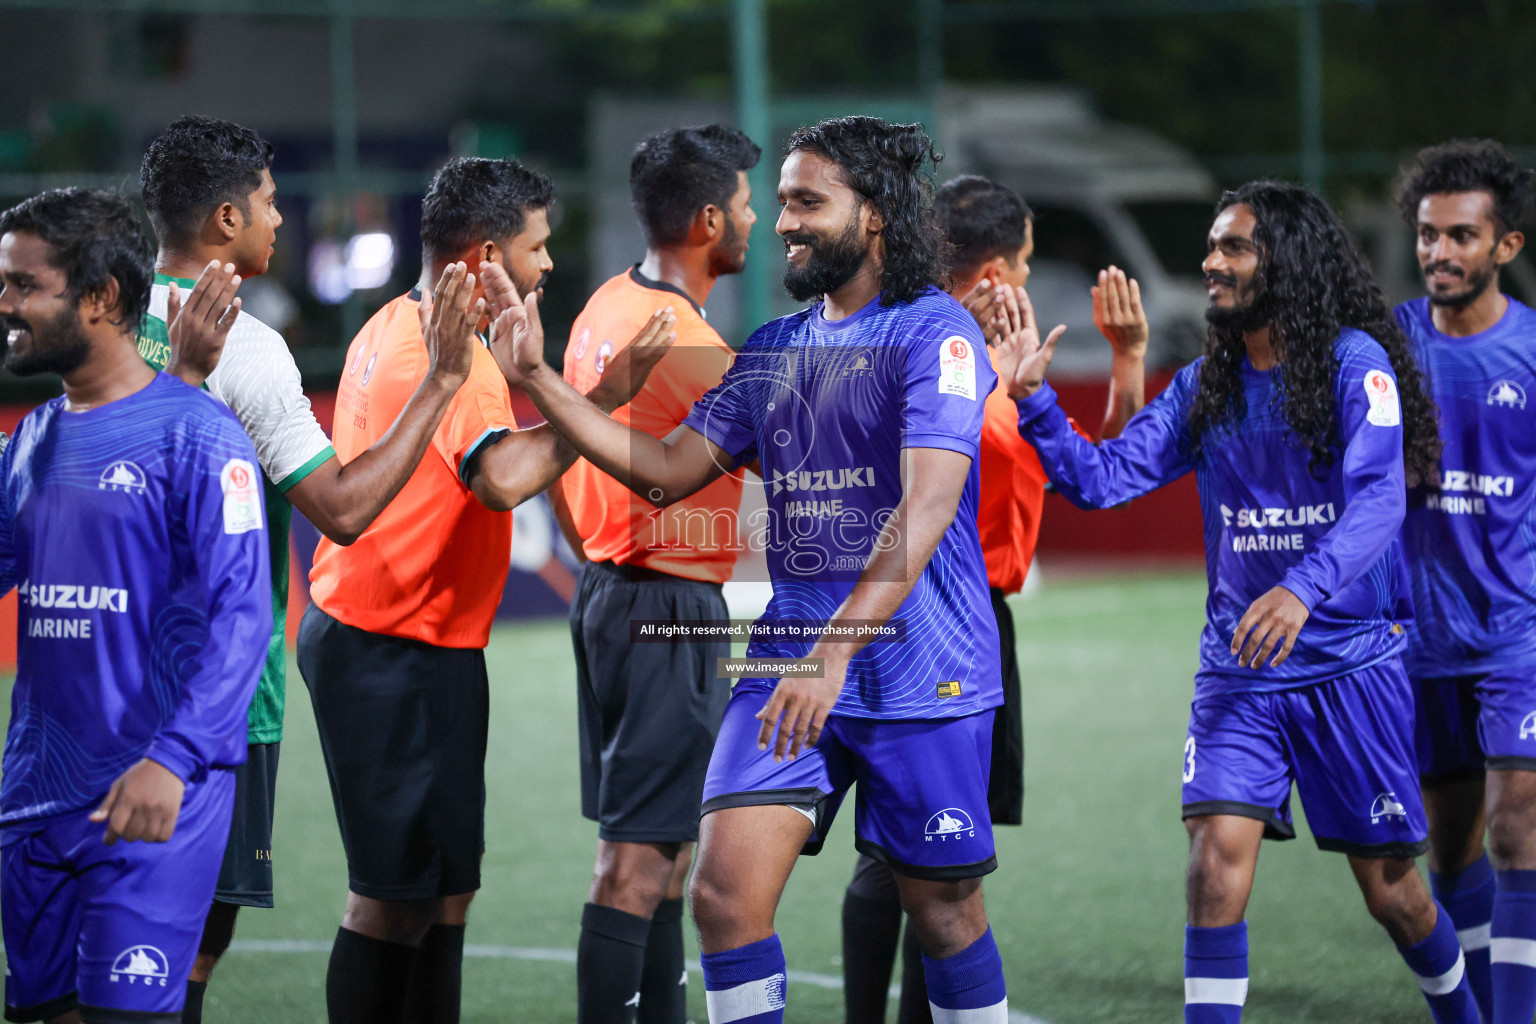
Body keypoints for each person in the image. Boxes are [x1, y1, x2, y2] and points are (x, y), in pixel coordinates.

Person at [505, 116, 1014, 1023]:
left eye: (807, 201)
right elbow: (668, 472)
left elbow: (926, 506)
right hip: (787, 662)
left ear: (878, 214)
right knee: (724, 897)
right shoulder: (775, 348)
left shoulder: (934, 333)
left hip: (919, 673)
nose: (783, 221)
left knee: (943, 909)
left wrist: (837, 656)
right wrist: (542, 382)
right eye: (780, 201)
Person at [995, 179, 1479, 1023]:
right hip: (1241, 672)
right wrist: (1034, 399)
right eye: (1213, 246)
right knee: (1215, 865)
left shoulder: (1354, 365)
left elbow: (1377, 501)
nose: (1211, 263)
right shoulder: (1202, 386)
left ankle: (1465, 1014)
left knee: (1395, 892)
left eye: (1233, 248)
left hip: (1350, 665)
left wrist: (1301, 589)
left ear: (1285, 261)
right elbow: (1102, 482)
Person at [296, 156, 674, 1024]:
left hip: (404, 641)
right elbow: (501, 480)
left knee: (443, 891)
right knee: (391, 898)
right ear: (490, 254)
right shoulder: (449, 354)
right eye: (537, 249)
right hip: (392, 650)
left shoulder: (397, 318)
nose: (546, 266)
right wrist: (603, 397)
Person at [138, 115, 484, 1023]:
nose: (279, 219)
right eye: (267, 201)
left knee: (108, 927)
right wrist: (442, 381)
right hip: (217, 692)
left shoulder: (100, 320)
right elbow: (343, 509)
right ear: (223, 218)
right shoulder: (246, 348)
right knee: (190, 945)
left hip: (101, 676)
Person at [839, 173, 1149, 1024]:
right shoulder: (928, 354)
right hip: (928, 616)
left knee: (931, 860)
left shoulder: (990, 356)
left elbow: (1097, 470)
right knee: (909, 861)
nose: (1026, 279)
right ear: (989, 275)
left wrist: (1123, 360)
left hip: (972, 620)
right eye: (1022, 262)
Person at [0, 188, 271, 1023]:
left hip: (152, 795)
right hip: (33, 799)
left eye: (22, 285)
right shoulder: (34, 437)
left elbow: (241, 618)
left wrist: (175, 757)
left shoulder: (201, 437)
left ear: (101, 297)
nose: (4, 303)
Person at [550, 124, 760, 1024]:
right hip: (669, 606)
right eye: (751, 203)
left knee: (665, 853)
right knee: (638, 863)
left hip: (611, 595)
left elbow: (559, 458)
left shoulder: (604, 308)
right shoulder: (699, 356)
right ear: (711, 219)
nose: (758, 218)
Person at [1393, 138, 1536, 1024]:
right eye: (1427, 235)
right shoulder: (1385, 347)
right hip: (1416, 642)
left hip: (1517, 633)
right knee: (1450, 854)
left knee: (1518, 825)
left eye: (1461, 236)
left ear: (1505, 246)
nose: (1440, 252)